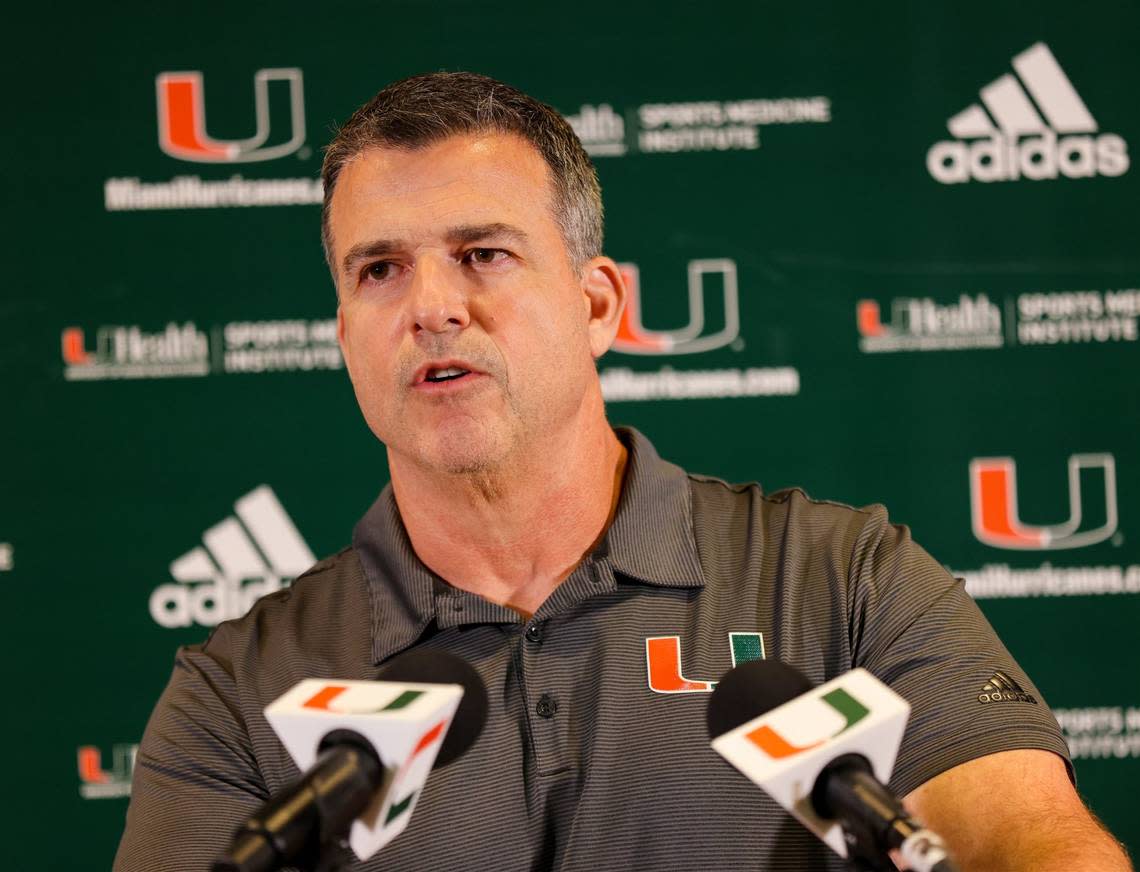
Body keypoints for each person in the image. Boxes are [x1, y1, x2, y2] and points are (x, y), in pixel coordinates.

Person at [115, 72, 1131, 871]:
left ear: (599, 304)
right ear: (343, 332)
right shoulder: (240, 691)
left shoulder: (841, 580)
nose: (431, 306)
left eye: (482, 254)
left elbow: (1031, 842)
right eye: (379, 270)